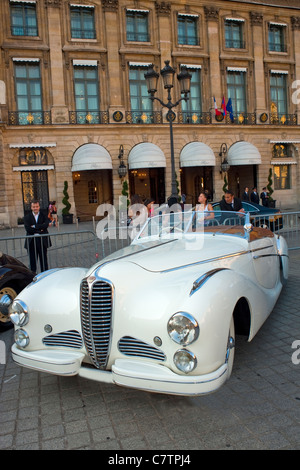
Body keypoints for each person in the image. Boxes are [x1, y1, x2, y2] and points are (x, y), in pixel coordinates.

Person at [24, 200, 51, 273]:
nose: (35, 208)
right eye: (33, 207)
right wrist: (40, 229)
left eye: (36, 206)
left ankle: (45, 277)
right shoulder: (27, 217)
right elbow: (28, 229)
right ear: (31, 208)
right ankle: (32, 277)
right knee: (32, 262)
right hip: (31, 241)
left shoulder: (44, 215)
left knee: (44, 261)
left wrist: (35, 226)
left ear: (39, 207)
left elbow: (46, 225)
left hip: (42, 241)